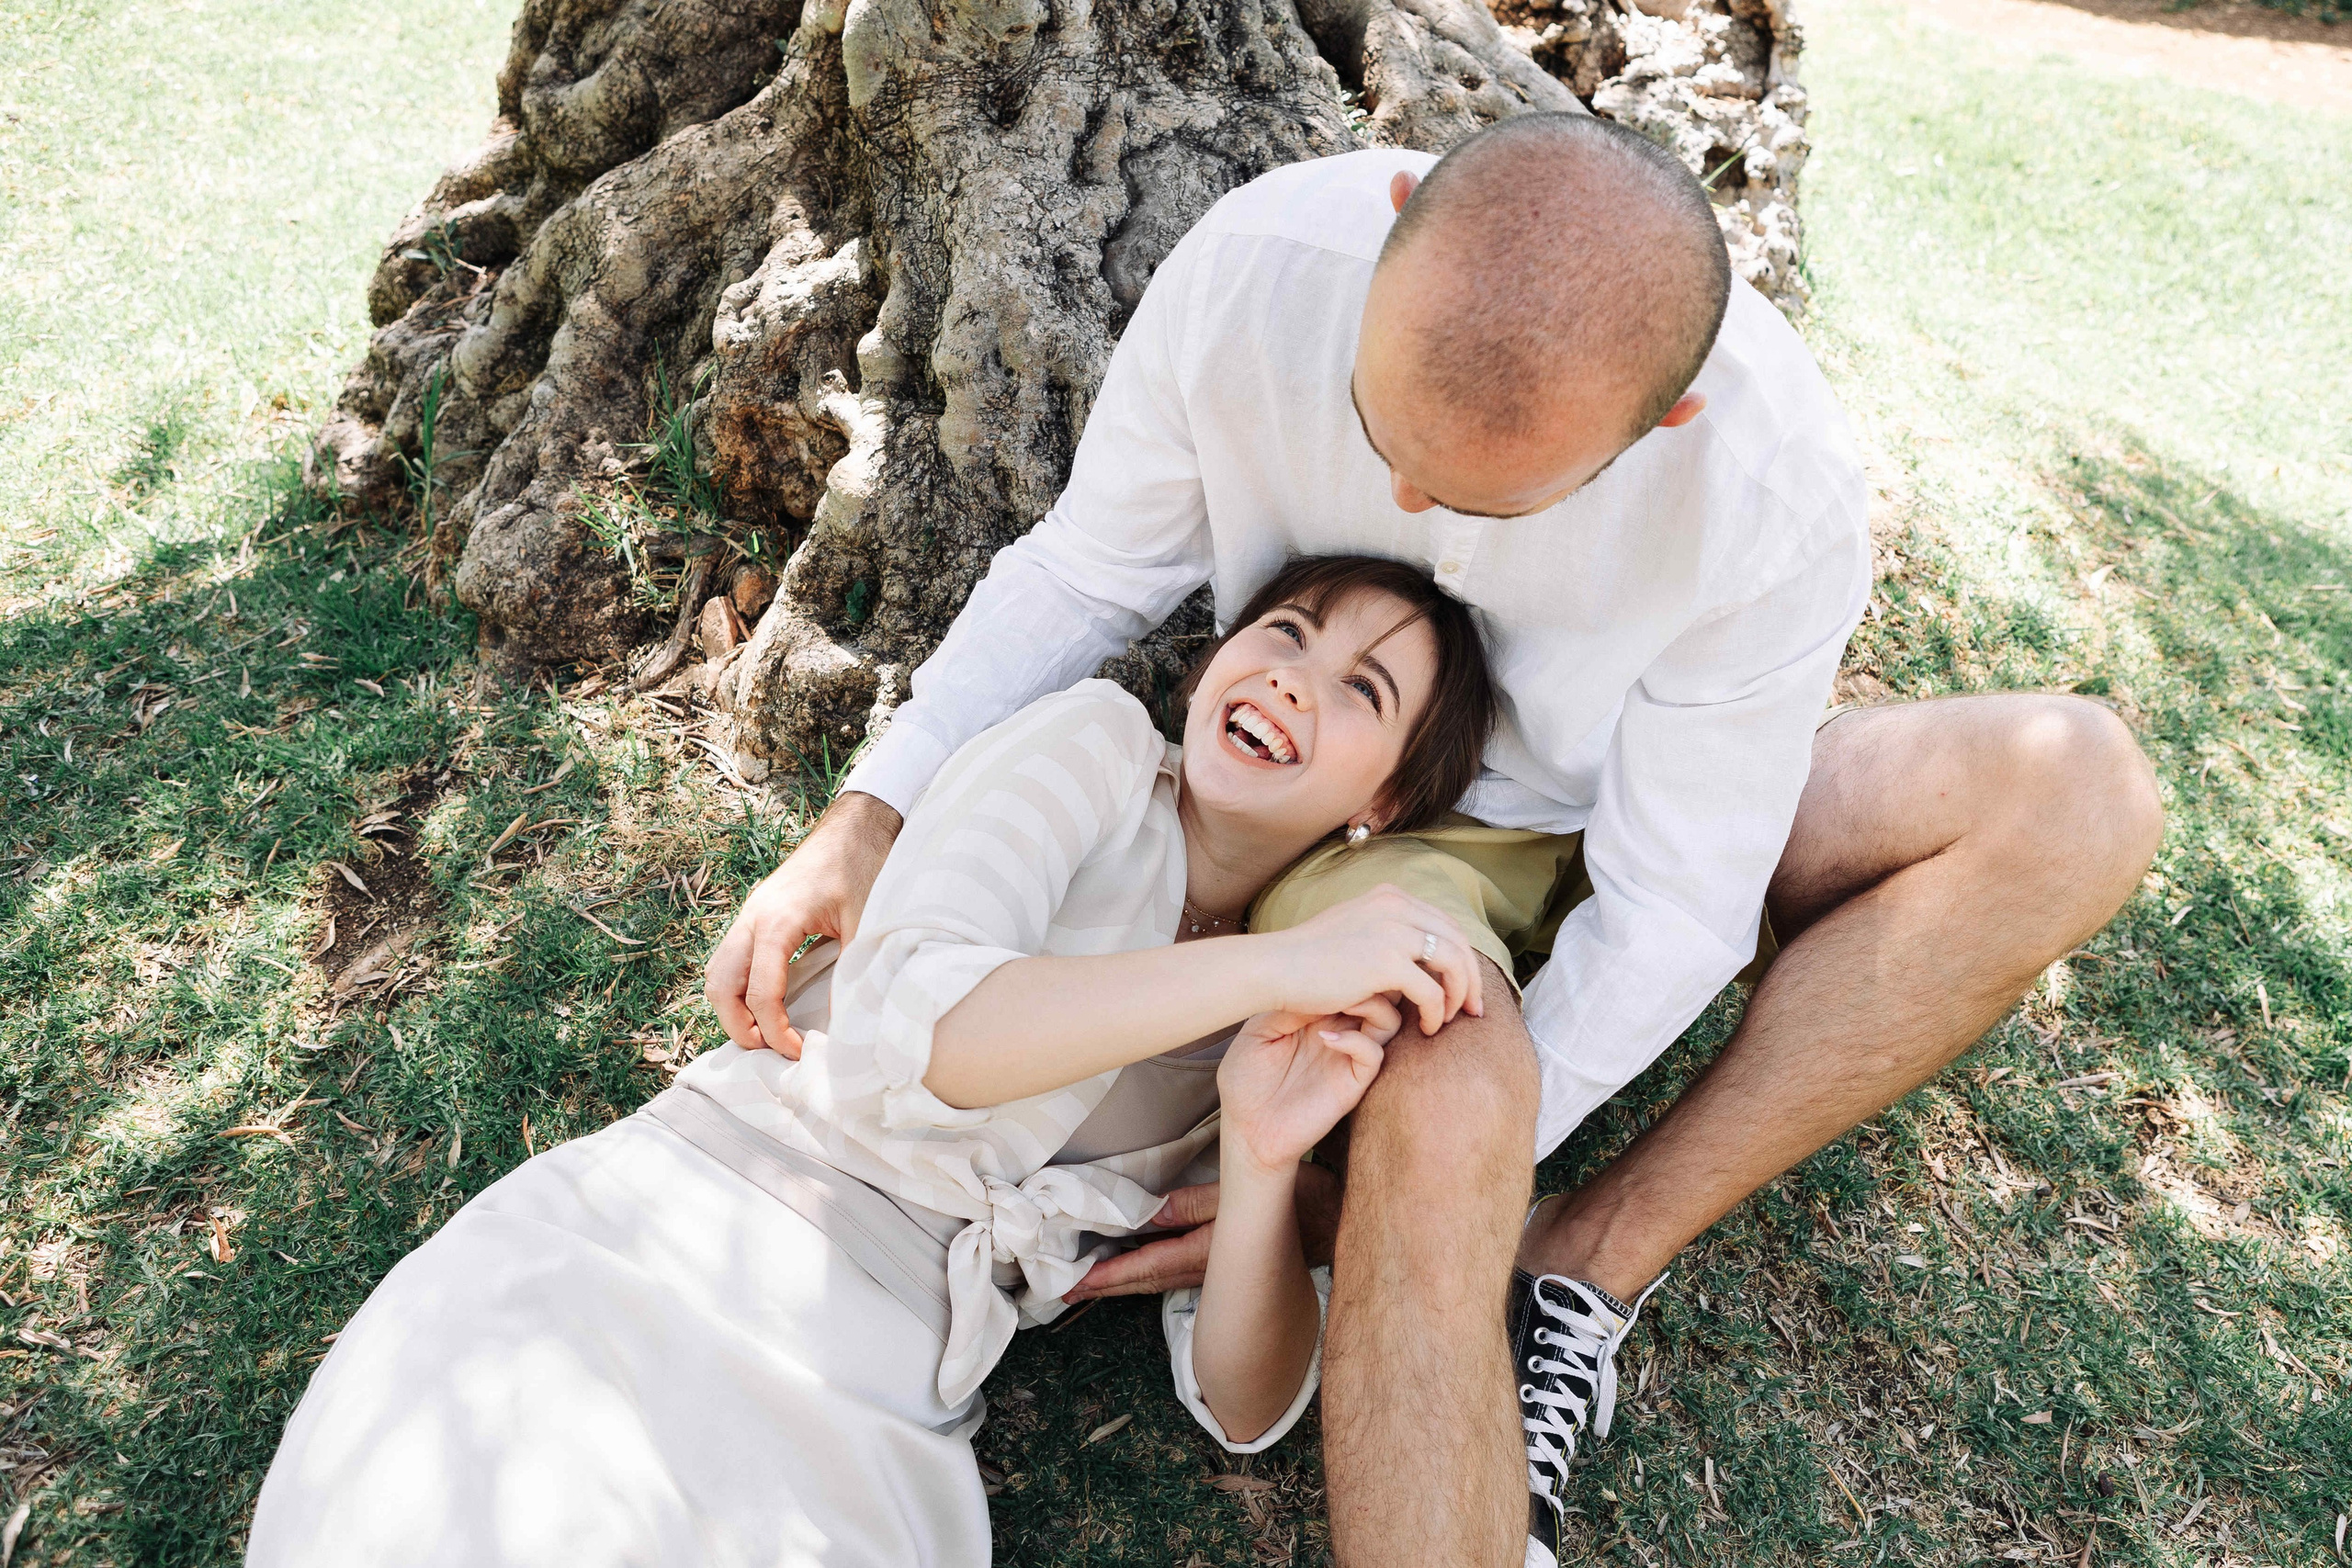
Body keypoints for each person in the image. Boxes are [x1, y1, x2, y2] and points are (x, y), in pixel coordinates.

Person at [704, 116, 2165, 1567]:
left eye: (1474, 494)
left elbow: (1675, 904)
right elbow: (1092, 569)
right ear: (1394, 214)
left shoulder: (1768, 492)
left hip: (1648, 798)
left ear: (1666, 422)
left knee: (2081, 787)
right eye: (1377, 431)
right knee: (1457, 1071)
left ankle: (1584, 1260)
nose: (1403, 500)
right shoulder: (1259, 271)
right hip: (1379, 817)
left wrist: (1403, 1187)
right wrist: (871, 808)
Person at [247, 556, 1502, 1566]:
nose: (1293, 677)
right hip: (671, 1239)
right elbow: (924, 1024)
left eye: (1361, 689)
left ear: (1381, 808)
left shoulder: (1280, 1013)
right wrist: (1274, 973)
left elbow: (1244, 1404)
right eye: (1286, 629)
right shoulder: (1102, 754)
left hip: (876, 1405)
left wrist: (1269, 1162)